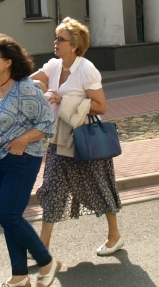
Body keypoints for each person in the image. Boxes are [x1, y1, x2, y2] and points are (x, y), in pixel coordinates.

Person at [31, 17, 124, 258]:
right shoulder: (53, 66)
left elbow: (101, 106)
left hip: (84, 138)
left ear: (73, 45)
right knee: (52, 188)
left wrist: (64, 100)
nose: (55, 42)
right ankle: (43, 248)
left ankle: (114, 235)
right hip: (59, 138)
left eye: (60, 39)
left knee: (99, 186)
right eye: (56, 37)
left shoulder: (86, 69)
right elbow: (30, 82)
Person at [0, 35, 60, 287]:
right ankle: (20, 276)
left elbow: (47, 123)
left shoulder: (25, 88)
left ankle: (46, 262)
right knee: (7, 217)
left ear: (8, 62)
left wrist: (24, 139)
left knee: (9, 217)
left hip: (22, 159)